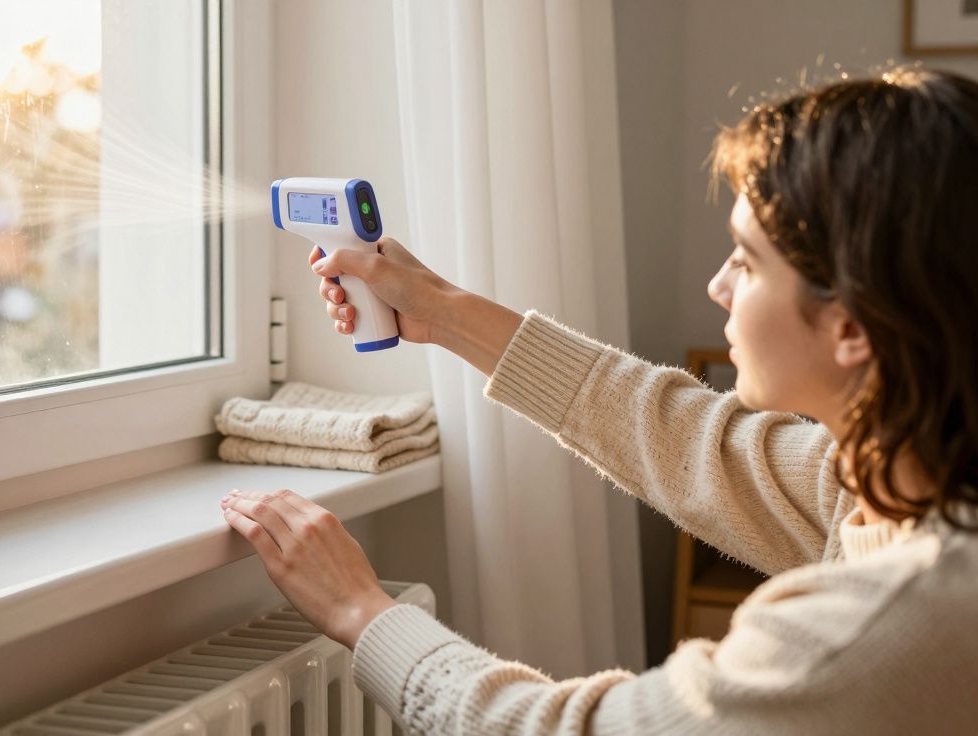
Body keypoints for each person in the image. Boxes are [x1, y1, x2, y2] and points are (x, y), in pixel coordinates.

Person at [218, 66, 978, 733]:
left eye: (747, 264)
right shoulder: (898, 482)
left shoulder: (882, 627)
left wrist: (362, 611)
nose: (718, 287)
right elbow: (687, 440)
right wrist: (441, 309)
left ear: (851, 326)